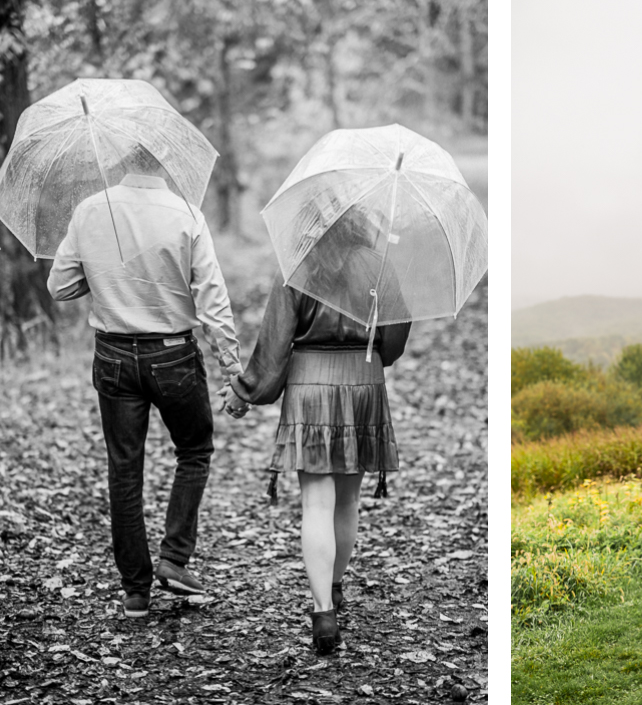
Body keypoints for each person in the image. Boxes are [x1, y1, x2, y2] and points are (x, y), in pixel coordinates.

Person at [47, 172, 242, 619]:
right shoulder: (186, 213)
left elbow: (59, 287)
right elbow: (212, 299)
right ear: (166, 164)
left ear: (121, 161)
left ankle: (135, 591)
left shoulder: (91, 209)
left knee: (124, 468)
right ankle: (174, 558)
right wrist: (232, 369)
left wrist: (104, 279)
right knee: (194, 450)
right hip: (172, 354)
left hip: (113, 355)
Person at [221, 270, 411, 655]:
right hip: (363, 379)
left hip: (309, 380)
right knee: (347, 500)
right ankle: (336, 586)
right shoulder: (381, 264)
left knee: (316, 503)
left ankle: (324, 611)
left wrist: (245, 391)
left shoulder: (297, 265)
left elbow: (275, 345)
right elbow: (393, 341)